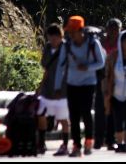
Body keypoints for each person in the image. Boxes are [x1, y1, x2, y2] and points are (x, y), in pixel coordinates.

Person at [53, 16, 106, 157]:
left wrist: (87, 67)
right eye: (69, 31)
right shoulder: (67, 45)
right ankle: (76, 145)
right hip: (72, 83)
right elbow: (60, 66)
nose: (70, 34)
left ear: (81, 30)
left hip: (89, 83)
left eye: (73, 31)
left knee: (86, 112)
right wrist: (57, 86)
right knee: (74, 116)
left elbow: (101, 63)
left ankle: (89, 140)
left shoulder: (93, 43)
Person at [37, 24, 70, 156]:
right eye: (50, 38)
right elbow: (45, 66)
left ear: (60, 36)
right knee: (41, 114)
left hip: (62, 90)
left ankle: (65, 144)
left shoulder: (66, 48)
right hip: (47, 89)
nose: (52, 40)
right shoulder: (47, 48)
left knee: (63, 119)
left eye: (55, 37)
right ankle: (41, 143)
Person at [95, 18, 121, 151]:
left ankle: (110, 140)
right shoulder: (101, 42)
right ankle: (98, 140)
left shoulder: (121, 43)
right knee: (100, 109)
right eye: (111, 28)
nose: (114, 31)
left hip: (117, 79)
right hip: (102, 77)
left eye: (116, 28)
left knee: (113, 110)